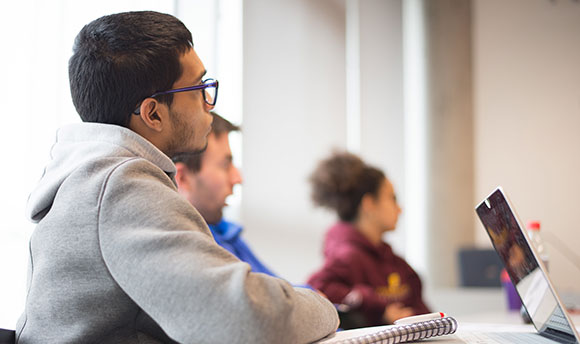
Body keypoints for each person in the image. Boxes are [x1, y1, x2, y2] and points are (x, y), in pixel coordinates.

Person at [18, 11, 338, 343]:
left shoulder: (90, 178)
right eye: (200, 88)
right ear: (153, 113)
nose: (208, 104)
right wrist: (324, 305)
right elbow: (248, 320)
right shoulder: (122, 187)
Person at [307, 151, 430, 328]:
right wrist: (378, 307)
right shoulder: (348, 256)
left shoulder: (395, 262)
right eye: (392, 198)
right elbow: (315, 288)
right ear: (369, 204)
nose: (399, 209)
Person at [172, 111, 277, 276]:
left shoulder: (226, 232)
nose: (238, 178)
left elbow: (285, 290)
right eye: (225, 165)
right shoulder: (187, 252)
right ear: (183, 178)